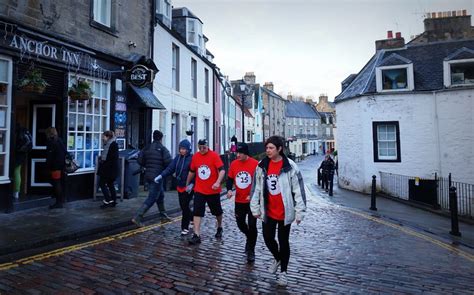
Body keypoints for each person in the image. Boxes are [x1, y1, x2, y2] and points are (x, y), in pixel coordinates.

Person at [250, 135, 307, 286]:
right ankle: (277, 257)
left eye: (271, 148)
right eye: (266, 148)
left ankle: (283, 272)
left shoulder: (290, 166)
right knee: (268, 238)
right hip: (268, 211)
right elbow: (256, 188)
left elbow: (298, 190)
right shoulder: (262, 165)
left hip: (285, 211)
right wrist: (255, 208)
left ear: (279, 149)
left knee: (284, 241)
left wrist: (299, 212)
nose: (267, 151)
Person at [186, 139, 225, 245]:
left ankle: (220, 226)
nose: (202, 150)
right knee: (197, 211)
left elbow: (222, 170)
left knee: (217, 211)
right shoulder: (196, 157)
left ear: (208, 147)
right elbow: (192, 171)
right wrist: (187, 183)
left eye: (204, 147)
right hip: (199, 189)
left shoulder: (214, 156)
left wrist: (218, 182)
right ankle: (196, 235)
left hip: (213, 190)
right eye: (200, 148)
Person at [226, 142, 259, 263]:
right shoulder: (234, 164)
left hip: (252, 200)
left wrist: (254, 195)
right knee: (240, 224)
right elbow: (229, 179)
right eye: (237, 153)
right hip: (239, 200)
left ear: (246, 153)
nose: (238, 155)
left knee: (252, 224)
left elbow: (260, 182)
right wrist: (229, 189)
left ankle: (251, 251)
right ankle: (249, 237)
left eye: (240, 153)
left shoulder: (255, 164)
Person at [154, 139, 194, 235]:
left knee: (184, 206)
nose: (182, 151)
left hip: (189, 187)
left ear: (188, 149)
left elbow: (195, 172)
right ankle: (192, 217)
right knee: (183, 205)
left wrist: (192, 184)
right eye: (180, 149)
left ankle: (185, 227)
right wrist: (161, 176)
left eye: (184, 149)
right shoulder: (177, 158)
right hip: (180, 185)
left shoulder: (192, 158)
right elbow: (170, 168)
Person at [132, 130, 172, 226]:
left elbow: (140, 160)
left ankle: (163, 216)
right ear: (161, 138)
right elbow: (169, 163)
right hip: (157, 176)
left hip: (148, 175)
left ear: (153, 137)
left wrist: (147, 165)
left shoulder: (147, 148)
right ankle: (137, 217)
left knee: (160, 195)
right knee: (152, 197)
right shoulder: (163, 149)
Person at [45, 127, 67, 209]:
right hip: (61, 165)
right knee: (58, 182)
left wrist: (47, 166)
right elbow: (65, 152)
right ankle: (60, 200)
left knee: (56, 183)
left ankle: (59, 202)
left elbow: (50, 156)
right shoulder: (60, 140)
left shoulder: (51, 142)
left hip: (55, 166)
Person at [97, 130, 119, 209]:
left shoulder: (111, 145)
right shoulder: (111, 144)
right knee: (110, 184)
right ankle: (113, 200)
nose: (102, 138)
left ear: (108, 137)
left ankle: (108, 200)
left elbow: (110, 158)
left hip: (108, 169)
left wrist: (102, 160)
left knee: (102, 184)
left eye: (104, 136)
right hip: (111, 169)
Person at [14, 124, 32, 200]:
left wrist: (18, 149)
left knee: (16, 172)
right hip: (22, 155)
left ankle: (16, 191)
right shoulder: (25, 132)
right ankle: (16, 192)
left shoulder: (17, 132)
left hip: (16, 154)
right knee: (17, 172)